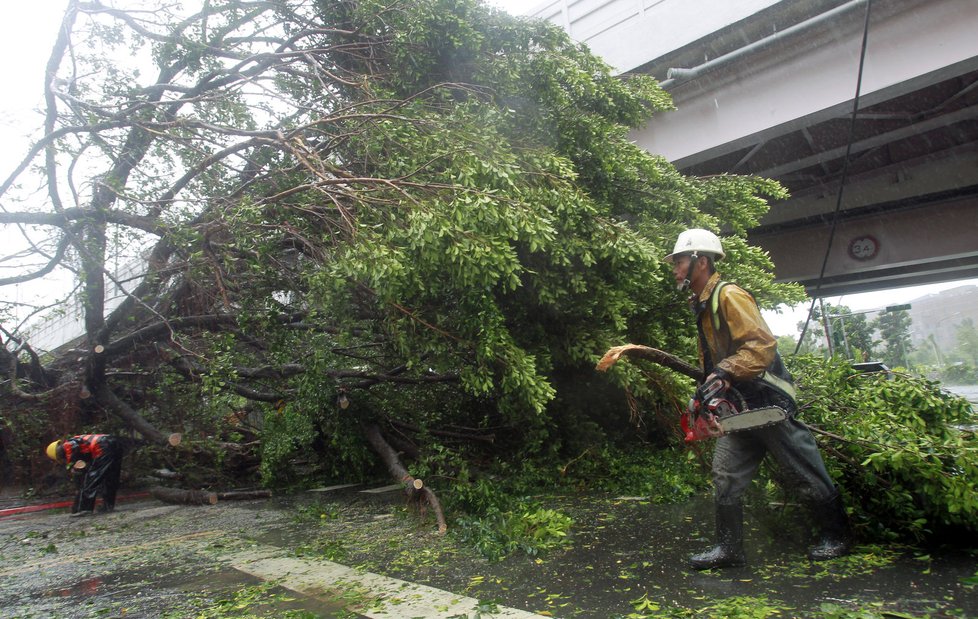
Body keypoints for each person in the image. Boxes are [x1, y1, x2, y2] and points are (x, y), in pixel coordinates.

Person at [663, 228, 852, 569]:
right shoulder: (702, 305)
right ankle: (729, 548)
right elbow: (714, 359)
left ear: (700, 262)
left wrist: (723, 373)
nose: (674, 269)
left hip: (768, 402)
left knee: (803, 470)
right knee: (726, 474)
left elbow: (760, 347)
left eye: (678, 262)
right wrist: (707, 389)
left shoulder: (729, 295)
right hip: (739, 408)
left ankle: (837, 535)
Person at [45, 434, 124, 517]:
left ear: (58, 454)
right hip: (113, 442)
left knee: (91, 480)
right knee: (110, 477)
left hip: (102, 446)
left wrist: (73, 466)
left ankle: (85, 509)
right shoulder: (78, 440)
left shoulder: (68, 445)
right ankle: (108, 506)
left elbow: (77, 455)